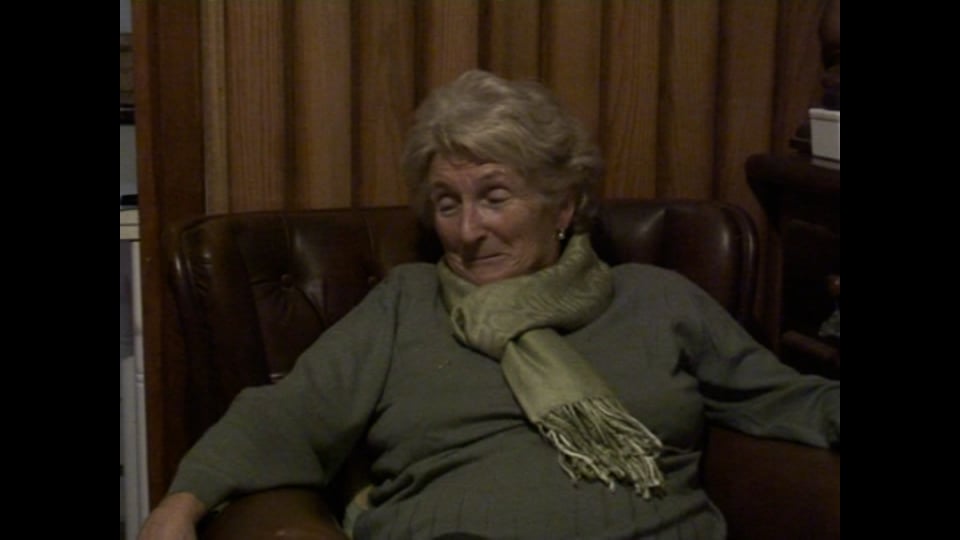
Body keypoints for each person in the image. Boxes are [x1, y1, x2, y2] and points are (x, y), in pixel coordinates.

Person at [139, 69, 840, 540]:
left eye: (495, 196)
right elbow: (285, 416)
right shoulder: (406, 305)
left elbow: (789, 401)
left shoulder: (657, 299)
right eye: (447, 203)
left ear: (562, 205)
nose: (468, 230)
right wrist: (178, 505)